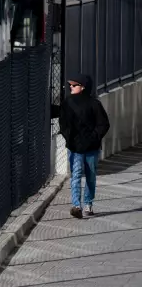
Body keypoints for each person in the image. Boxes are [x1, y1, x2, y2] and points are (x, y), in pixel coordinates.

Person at [59, 74, 110, 219]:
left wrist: (92, 138)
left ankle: (88, 203)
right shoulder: (67, 103)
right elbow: (63, 124)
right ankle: (76, 206)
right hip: (75, 147)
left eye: (74, 85)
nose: (71, 87)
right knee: (75, 176)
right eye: (70, 85)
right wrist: (69, 138)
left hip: (91, 149)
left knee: (90, 176)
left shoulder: (95, 104)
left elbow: (103, 124)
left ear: (83, 87)